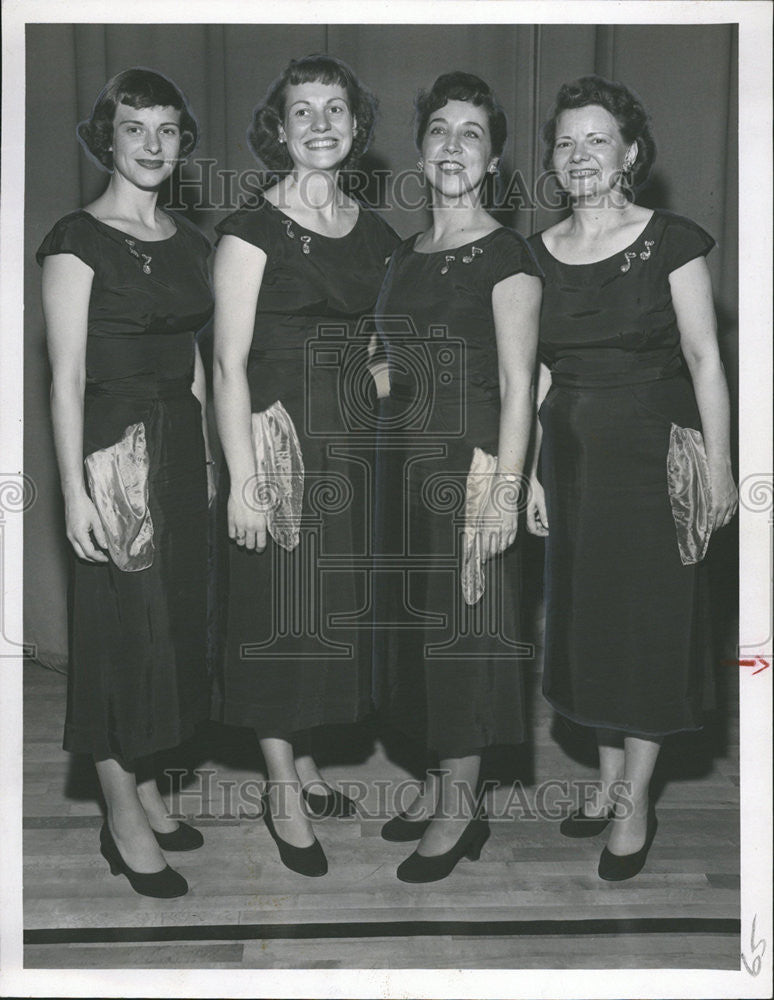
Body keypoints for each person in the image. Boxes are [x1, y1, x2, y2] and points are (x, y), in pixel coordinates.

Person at [526, 75, 737, 880]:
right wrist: (535, 474)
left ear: (631, 154)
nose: (581, 154)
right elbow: (542, 372)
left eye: (598, 139)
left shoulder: (671, 239)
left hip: (656, 457)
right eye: (566, 141)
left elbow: (703, 356)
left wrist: (719, 467)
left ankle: (634, 802)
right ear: (553, 159)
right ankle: (609, 782)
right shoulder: (537, 254)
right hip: (573, 463)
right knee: (591, 626)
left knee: (648, 629)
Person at [213, 54, 399, 877]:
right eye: (302, 111)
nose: (320, 124)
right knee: (277, 617)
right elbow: (225, 364)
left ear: (356, 127)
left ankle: (307, 761)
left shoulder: (378, 231)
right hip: (279, 450)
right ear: (278, 130)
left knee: (323, 620)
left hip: (350, 454)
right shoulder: (250, 231)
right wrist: (245, 480)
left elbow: (381, 350)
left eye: (335, 110)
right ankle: (280, 785)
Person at [37, 68, 215, 898]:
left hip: (179, 442)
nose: (151, 144)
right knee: (119, 634)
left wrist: (212, 460)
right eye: (135, 128)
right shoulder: (78, 238)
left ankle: (145, 784)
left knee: (168, 631)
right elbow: (64, 377)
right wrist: (74, 491)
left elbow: (201, 365)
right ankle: (120, 815)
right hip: (114, 447)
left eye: (167, 130)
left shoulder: (192, 241)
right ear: (107, 138)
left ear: (182, 142)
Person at [374, 72, 543, 883]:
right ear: (419, 148)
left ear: (495, 158)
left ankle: (460, 809)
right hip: (407, 469)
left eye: (471, 132)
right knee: (422, 639)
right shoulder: (405, 255)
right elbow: (385, 370)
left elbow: (519, 384)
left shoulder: (507, 254)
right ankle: (442, 779)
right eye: (438, 129)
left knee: (466, 640)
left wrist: (505, 491)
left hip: (471, 465)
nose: (451, 145)